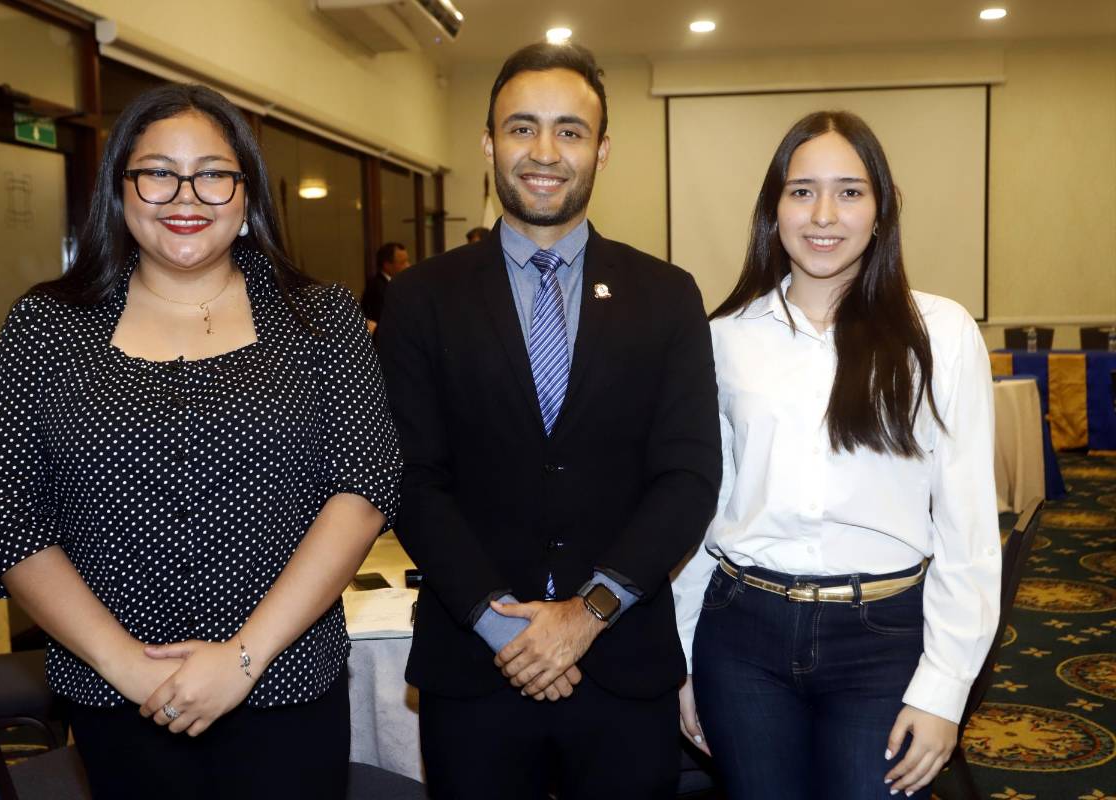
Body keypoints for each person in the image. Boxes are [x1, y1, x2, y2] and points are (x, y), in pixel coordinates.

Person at [0, 83, 402, 799]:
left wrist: (241, 659)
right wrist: (129, 668)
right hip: (116, 699)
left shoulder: (321, 319)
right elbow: (2, 515)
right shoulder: (46, 328)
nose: (185, 196)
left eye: (213, 174)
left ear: (247, 193)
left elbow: (363, 488)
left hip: (286, 686)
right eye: (158, 172)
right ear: (121, 188)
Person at [378, 42, 721, 799]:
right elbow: (411, 478)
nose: (544, 151)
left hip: (621, 662)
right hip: (474, 665)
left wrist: (586, 615)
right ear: (488, 144)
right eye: (522, 127)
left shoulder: (667, 295)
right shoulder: (420, 299)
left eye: (570, 131)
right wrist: (507, 628)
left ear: (602, 150)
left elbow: (689, 477)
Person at [673, 111, 1001, 800]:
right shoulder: (726, 336)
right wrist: (682, 659)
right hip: (741, 636)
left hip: (884, 639)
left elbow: (968, 528)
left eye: (850, 192)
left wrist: (945, 690)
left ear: (881, 211)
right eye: (802, 191)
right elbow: (704, 509)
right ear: (774, 210)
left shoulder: (940, 334)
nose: (824, 214)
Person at [360, 241, 410, 333]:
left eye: (407, 261)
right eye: (402, 262)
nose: (408, 266)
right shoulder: (378, 287)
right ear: (387, 265)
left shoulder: (395, 283)